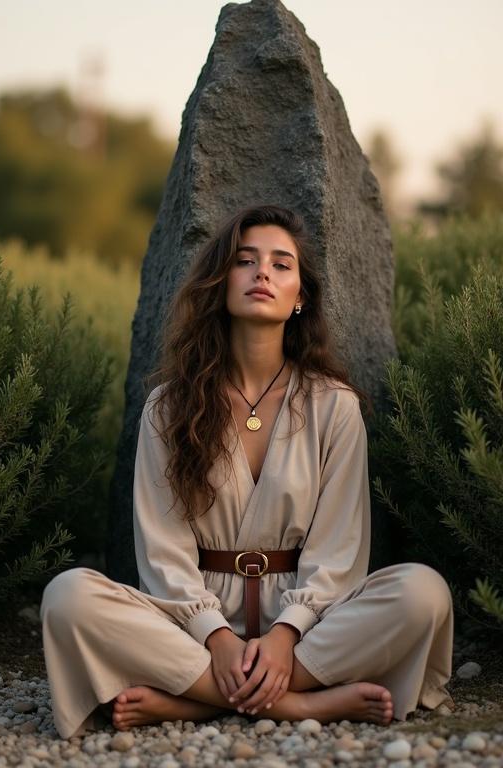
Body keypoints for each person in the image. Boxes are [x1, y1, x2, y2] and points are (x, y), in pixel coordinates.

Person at [40, 204, 454, 739]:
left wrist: (285, 635)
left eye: (282, 265)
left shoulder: (335, 406)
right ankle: (301, 704)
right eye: (245, 260)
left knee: (423, 593)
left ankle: (195, 701)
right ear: (221, 282)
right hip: (193, 627)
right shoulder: (169, 406)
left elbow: (337, 551)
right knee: (69, 597)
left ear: (300, 296)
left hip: (306, 628)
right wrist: (217, 637)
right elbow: (163, 553)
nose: (263, 272)